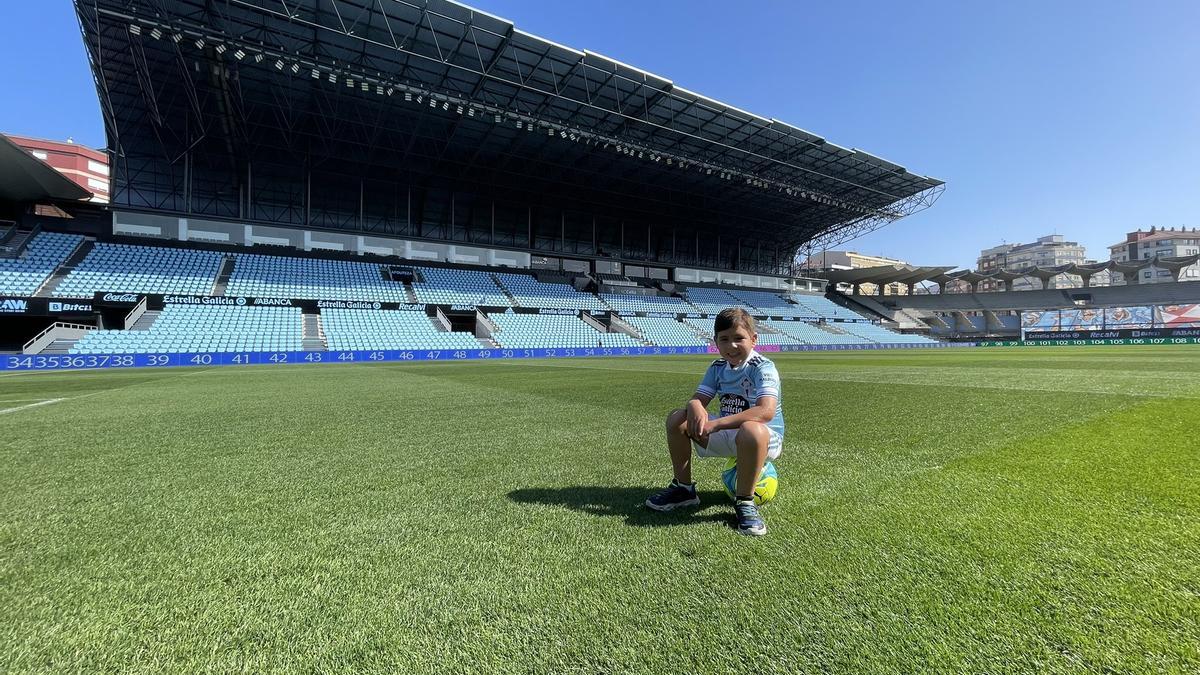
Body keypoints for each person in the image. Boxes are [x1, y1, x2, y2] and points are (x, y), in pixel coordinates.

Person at [645, 307, 784, 536]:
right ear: (716, 342)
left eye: (739, 338)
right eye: (725, 339)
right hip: (731, 432)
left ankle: (745, 503)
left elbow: (766, 411)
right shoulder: (717, 367)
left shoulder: (762, 367)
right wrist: (694, 406)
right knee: (677, 418)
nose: (732, 346)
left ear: (754, 339)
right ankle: (684, 490)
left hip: (765, 438)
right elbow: (698, 400)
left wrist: (715, 424)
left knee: (751, 429)